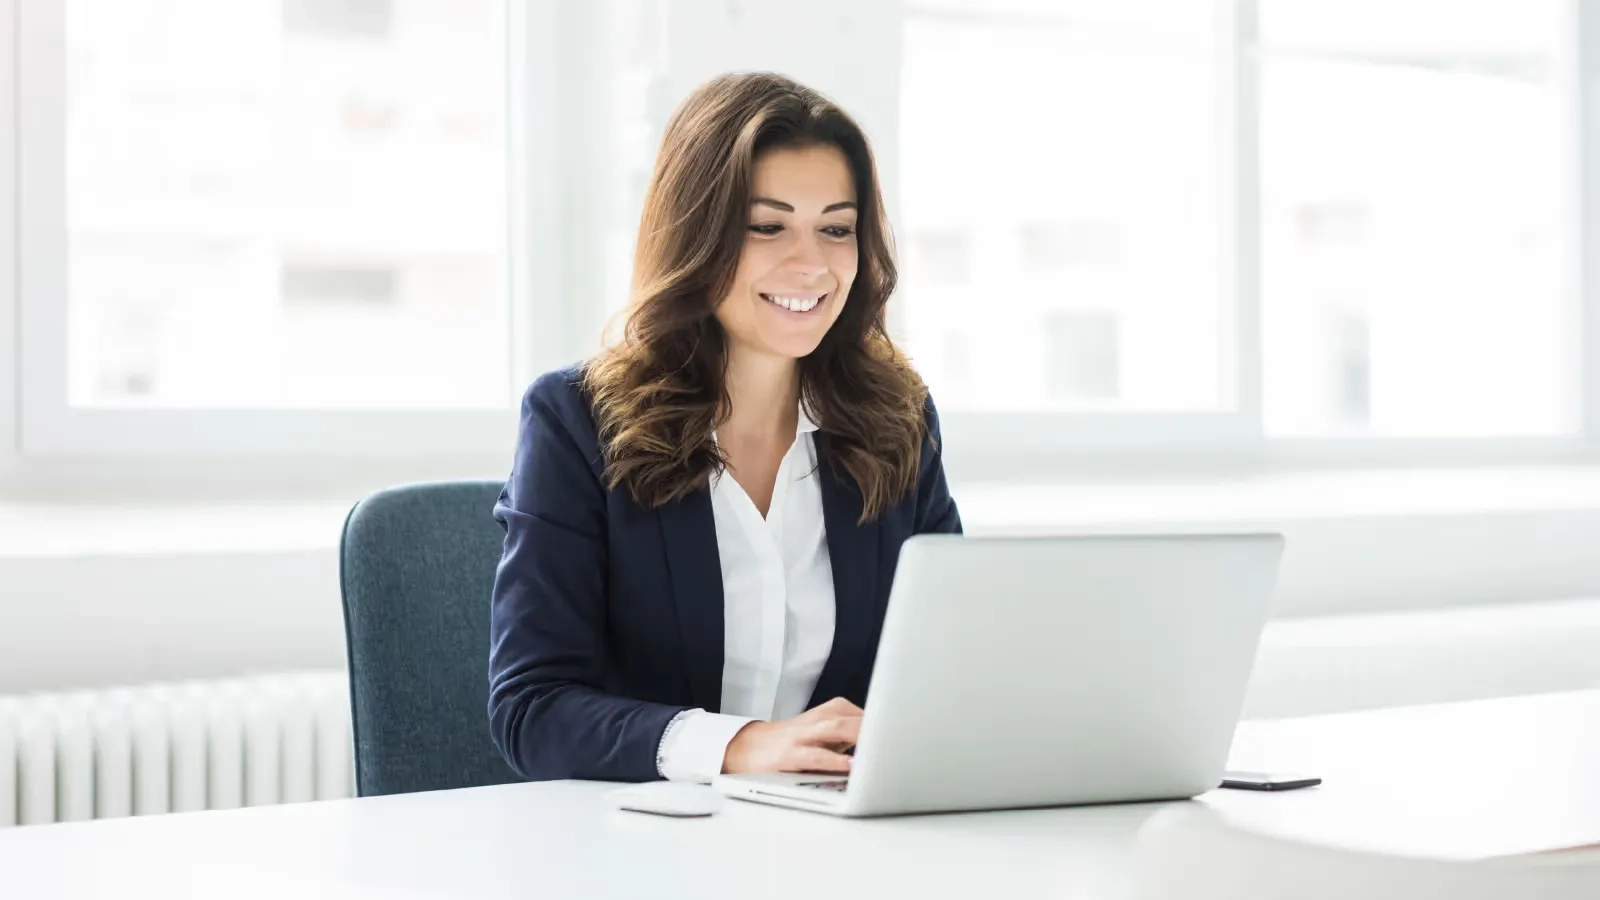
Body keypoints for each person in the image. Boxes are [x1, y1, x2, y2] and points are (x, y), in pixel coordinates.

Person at [488, 71, 961, 784]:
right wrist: (739, 746)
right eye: (767, 227)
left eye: (836, 228)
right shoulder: (576, 423)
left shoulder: (898, 423)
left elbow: (948, 670)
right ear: (696, 233)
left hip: (837, 840)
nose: (811, 263)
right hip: (641, 849)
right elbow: (533, 708)